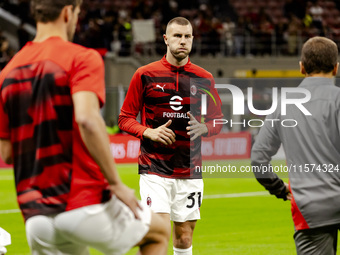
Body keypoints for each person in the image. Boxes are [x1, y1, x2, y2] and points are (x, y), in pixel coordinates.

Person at [0, 0, 168, 254]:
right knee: (158, 233)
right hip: (81, 202)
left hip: (35, 216)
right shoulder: (81, 57)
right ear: (68, 13)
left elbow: (8, 153)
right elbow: (87, 119)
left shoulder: (8, 72)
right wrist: (116, 183)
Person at [118, 17, 223, 255]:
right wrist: (149, 132)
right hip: (155, 169)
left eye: (187, 36)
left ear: (193, 40)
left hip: (190, 169)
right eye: (177, 36)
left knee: (184, 237)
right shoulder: (145, 74)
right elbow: (125, 118)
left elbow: (218, 119)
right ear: (166, 39)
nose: (182, 41)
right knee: (158, 233)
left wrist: (205, 128)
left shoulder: (204, 78)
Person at [251, 36, 340, 255]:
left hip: (310, 208)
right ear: (336, 68)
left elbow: (258, 159)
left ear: (301, 68)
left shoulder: (284, 105)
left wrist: (280, 190)